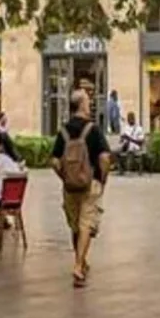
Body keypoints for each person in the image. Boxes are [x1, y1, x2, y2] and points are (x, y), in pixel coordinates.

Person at [52, 89, 111, 287]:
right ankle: (78, 265)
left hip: (70, 186)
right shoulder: (93, 130)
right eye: (87, 101)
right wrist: (102, 179)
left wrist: (64, 177)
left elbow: (53, 161)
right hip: (90, 182)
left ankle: (81, 261)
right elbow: (104, 158)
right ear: (82, 105)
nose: (90, 103)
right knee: (86, 223)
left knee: (75, 224)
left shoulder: (64, 131)